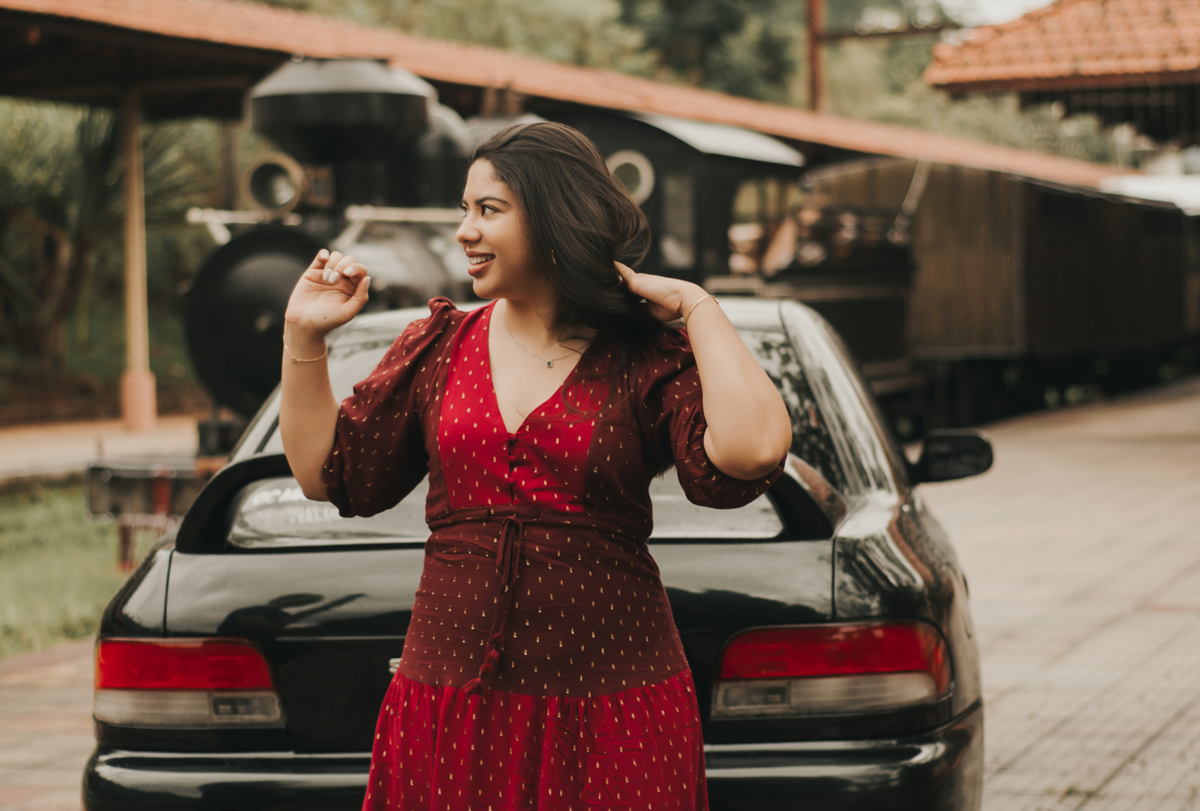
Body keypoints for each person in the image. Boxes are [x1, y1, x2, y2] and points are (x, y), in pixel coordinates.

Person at [279, 122, 793, 810]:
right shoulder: (438, 346)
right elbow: (328, 471)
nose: (465, 230)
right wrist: (302, 335)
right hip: (453, 710)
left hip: (615, 714)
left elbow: (752, 449)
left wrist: (698, 307)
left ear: (555, 217)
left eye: (489, 210)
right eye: (464, 209)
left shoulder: (643, 357)